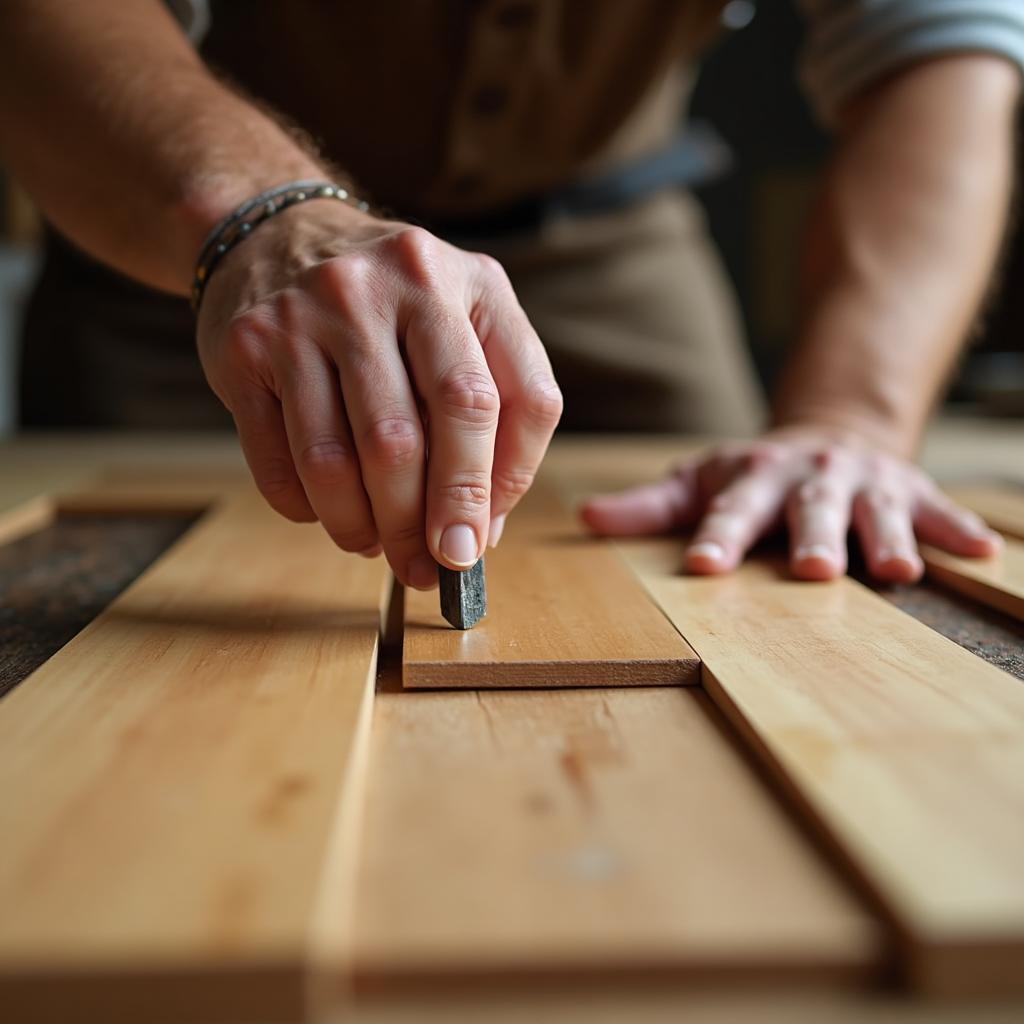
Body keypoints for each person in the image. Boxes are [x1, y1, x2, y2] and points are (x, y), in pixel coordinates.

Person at [1, 1, 1019, 592]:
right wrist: (257, 223)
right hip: (196, 254)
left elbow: (941, 47)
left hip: (613, 251)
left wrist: (851, 417)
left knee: (748, 565)